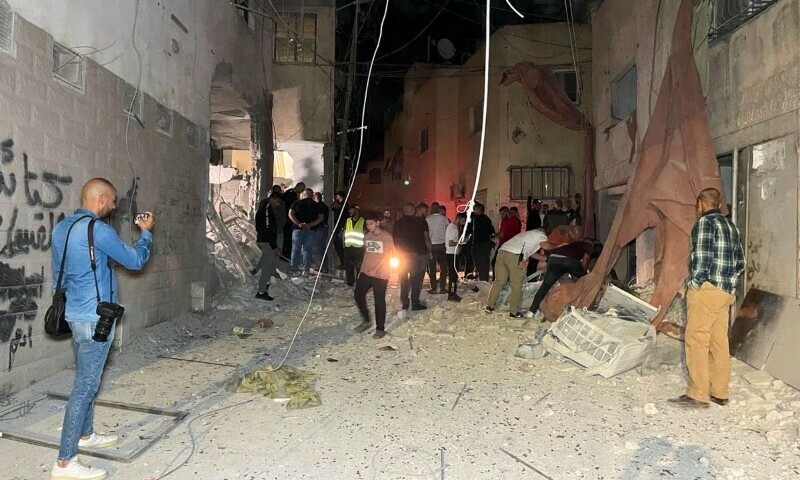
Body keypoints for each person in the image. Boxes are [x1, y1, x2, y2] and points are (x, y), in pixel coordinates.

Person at [50, 178, 154, 480]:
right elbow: (134, 261)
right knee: (84, 386)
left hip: (75, 314)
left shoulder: (62, 228)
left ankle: (85, 434)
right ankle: (65, 462)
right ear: (100, 199)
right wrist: (145, 233)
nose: (113, 206)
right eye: (112, 201)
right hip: (97, 318)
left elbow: (62, 275)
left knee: (88, 378)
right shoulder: (98, 230)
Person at [670, 188, 744, 408]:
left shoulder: (704, 224)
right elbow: (740, 262)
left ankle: (698, 393)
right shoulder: (731, 227)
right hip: (725, 292)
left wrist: (695, 284)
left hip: (707, 289)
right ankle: (719, 392)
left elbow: (702, 259)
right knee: (719, 340)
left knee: (696, 338)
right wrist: (727, 281)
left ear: (701, 203)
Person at [526, 225, 593, 318]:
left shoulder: (565, 243)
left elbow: (550, 252)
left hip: (553, 259)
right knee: (587, 281)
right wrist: (583, 275)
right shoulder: (587, 245)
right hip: (569, 261)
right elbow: (585, 261)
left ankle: (531, 312)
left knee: (545, 286)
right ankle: (589, 306)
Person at [486, 228, 548, 318]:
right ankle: (513, 312)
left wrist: (546, 258)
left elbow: (531, 254)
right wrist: (557, 246)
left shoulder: (526, 235)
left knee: (499, 282)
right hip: (514, 256)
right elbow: (546, 246)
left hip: (502, 252)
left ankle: (489, 306)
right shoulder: (541, 234)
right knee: (516, 285)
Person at [353, 211, 395, 339]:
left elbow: (388, 255)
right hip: (367, 271)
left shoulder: (386, 237)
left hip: (381, 274)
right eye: (367, 224)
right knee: (358, 294)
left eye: (371, 223)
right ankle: (366, 319)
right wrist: (362, 270)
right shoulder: (368, 236)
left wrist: (376, 269)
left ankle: (380, 329)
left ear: (377, 223)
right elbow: (367, 253)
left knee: (379, 300)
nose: (368, 226)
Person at [393, 203, 431, 310]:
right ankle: (415, 302)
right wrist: (429, 251)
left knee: (403, 279)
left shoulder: (397, 223)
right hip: (415, 254)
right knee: (416, 279)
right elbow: (425, 238)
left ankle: (405, 301)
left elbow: (395, 240)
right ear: (413, 210)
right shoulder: (419, 222)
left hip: (402, 255)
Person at [254, 192, 284, 301]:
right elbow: (268, 230)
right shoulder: (266, 209)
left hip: (266, 241)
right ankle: (261, 292)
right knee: (267, 268)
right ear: (272, 198)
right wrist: (274, 246)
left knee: (269, 264)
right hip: (266, 241)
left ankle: (265, 288)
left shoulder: (266, 207)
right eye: (277, 201)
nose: (278, 204)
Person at [288, 188, 323, 275]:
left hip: (298, 229)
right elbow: (321, 217)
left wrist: (299, 223)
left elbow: (290, 214)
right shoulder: (317, 205)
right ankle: (305, 270)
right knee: (307, 250)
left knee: (296, 250)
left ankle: (294, 269)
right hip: (311, 230)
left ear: (304, 194)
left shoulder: (296, 203)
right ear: (312, 195)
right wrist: (310, 224)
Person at [445, 212, 469, 302]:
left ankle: (452, 292)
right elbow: (451, 243)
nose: (463, 223)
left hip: (453, 253)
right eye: (463, 221)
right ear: (459, 218)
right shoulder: (453, 228)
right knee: (453, 275)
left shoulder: (454, 227)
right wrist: (461, 243)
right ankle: (451, 294)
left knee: (454, 275)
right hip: (452, 254)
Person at [426, 203, 449, 294]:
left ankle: (434, 288)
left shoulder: (428, 219)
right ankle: (443, 288)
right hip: (442, 245)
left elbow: (426, 233)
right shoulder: (444, 219)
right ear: (439, 209)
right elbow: (448, 230)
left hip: (432, 245)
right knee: (443, 267)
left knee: (432, 268)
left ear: (431, 209)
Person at [470, 203, 494, 281]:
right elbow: (491, 231)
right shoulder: (487, 219)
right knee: (484, 265)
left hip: (479, 245)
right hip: (485, 245)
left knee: (480, 265)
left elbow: (475, 233)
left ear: (478, 209)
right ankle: (484, 281)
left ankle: (483, 283)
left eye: (475, 209)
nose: (474, 211)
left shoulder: (476, 220)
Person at [343, 205, 366, 286]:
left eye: (351, 210)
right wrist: (344, 243)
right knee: (348, 265)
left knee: (359, 265)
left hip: (359, 247)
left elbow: (365, 233)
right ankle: (350, 282)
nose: (350, 211)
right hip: (348, 246)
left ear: (356, 210)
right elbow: (345, 232)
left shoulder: (363, 221)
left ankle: (359, 281)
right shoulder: (348, 220)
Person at [281, 182, 304, 257]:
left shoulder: (295, 195)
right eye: (302, 189)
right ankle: (286, 252)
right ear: (298, 187)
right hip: (287, 218)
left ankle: (288, 252)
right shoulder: (290, 193)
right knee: (287, 236)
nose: (301, 191)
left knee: (290, 236)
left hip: (291, 219)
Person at [312, 192, 330, 273]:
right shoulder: (324, 206)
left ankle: (323, 267)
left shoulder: (318, 206)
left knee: (320, 248)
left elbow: (319, 218)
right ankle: (323, 266)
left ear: (315, 197)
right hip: (324, 228)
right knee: (322, 247)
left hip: (320, 229)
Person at [331, 191, 348, 268]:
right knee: (337, 245)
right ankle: (343, 262)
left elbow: (344, 218)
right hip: (337, 227)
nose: (336, 197)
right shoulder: (340, 205)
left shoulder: (344, 205)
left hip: (339, 228)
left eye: (337, 196)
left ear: (340, 196)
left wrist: (342, 229)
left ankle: (344, 263)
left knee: (339, 245)